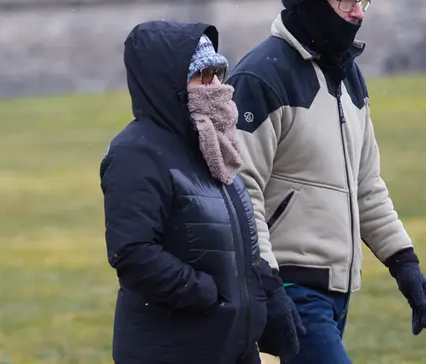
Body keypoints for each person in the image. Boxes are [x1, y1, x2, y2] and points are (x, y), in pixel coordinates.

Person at [224, 0, 426, 363]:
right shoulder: (261, 79)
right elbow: (239, 195)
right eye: (346, 1)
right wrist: (268, 286)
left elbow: (366, 184)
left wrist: (404, 262)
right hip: (289, 290)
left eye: (363, 1)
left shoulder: (347, 76)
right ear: (312, 3)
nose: (358, 13)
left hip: (337, 291)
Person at [99, 20, 304, 364]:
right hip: (172, 349)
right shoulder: (135, 153)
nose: (216, 87)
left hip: (231, 345)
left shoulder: (214, 143)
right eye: (202, 76)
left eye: (218, 74)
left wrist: (267, 296)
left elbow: (240, 242)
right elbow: (132, 253)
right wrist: (212, 296)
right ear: (170, 84)